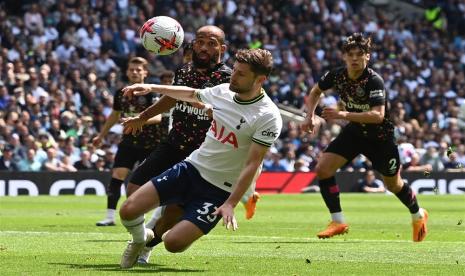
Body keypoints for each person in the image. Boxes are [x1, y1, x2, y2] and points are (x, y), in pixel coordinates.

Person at [118, 48, 282, 269]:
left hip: (219, 191)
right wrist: (151, 87)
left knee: (172, 243)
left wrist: (231, 203)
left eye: (241, 74)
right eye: (234, 70)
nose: (233, 76)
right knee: (128, 210)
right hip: (191, 168)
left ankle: (158, 236)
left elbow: (253, 163)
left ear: (260, 79)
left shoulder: (267, 116)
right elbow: (190, 93)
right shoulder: (224, 91)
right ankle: (140, 240)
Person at [301, 33, 428, 242]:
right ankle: (338, 221)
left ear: (367, 57)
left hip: (380, 138)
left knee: (393, 185)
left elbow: (378, 116)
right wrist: (309, 117)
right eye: (350, 55)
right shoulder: (336, 75)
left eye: (360, 55)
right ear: (344, 57)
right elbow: (315, 91)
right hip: (356, 132)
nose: (354, 59)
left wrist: (342, 114)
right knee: (323, 169)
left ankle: (418, 214)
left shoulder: (374, 81)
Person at [94, 57, 169, 226]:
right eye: (132, 70)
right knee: (117, 176)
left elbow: (157, 117)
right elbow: (114, 115)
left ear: (145, 73)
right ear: (127, 72)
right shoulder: (121, 93)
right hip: (128, 142)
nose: (134, 72)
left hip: (151, 143)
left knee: (155, 181)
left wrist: (139, 120)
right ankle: (109, 217)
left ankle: (157, 217)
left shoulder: (152, 92)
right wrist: (101, 135)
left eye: (138, 70)